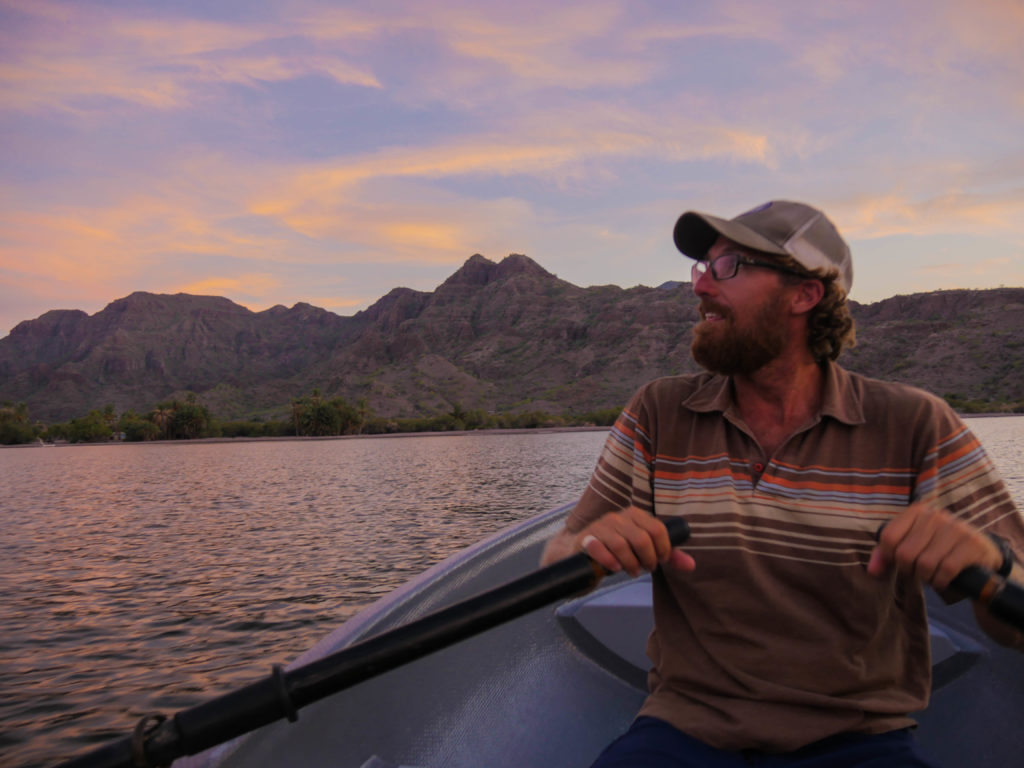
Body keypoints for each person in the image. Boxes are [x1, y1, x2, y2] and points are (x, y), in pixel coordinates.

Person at [541, 200, 1024, 767]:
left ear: (804, 294)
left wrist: (989, 557)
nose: (700, 286)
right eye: (704, 267)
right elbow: (558, 562)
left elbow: (1016, 620)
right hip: (683, 730)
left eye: (731, 266)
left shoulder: (914, 424)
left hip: (856, 739)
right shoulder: (658, 413)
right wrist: (593, 547)